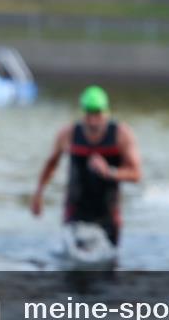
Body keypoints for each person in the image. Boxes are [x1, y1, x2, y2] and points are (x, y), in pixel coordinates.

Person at [31, 86, 142, 247]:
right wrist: (38, 193)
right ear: (82, 112)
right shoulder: (68, 134)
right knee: (74, 259)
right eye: (89, 113)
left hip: (108, 212)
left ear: (107, 112)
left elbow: (136, 174)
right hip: (76, 210)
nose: (93, 120)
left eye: (98, 113)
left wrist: (109, 172)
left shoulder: (121, 135)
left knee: (109, 260)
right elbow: (51, 163)